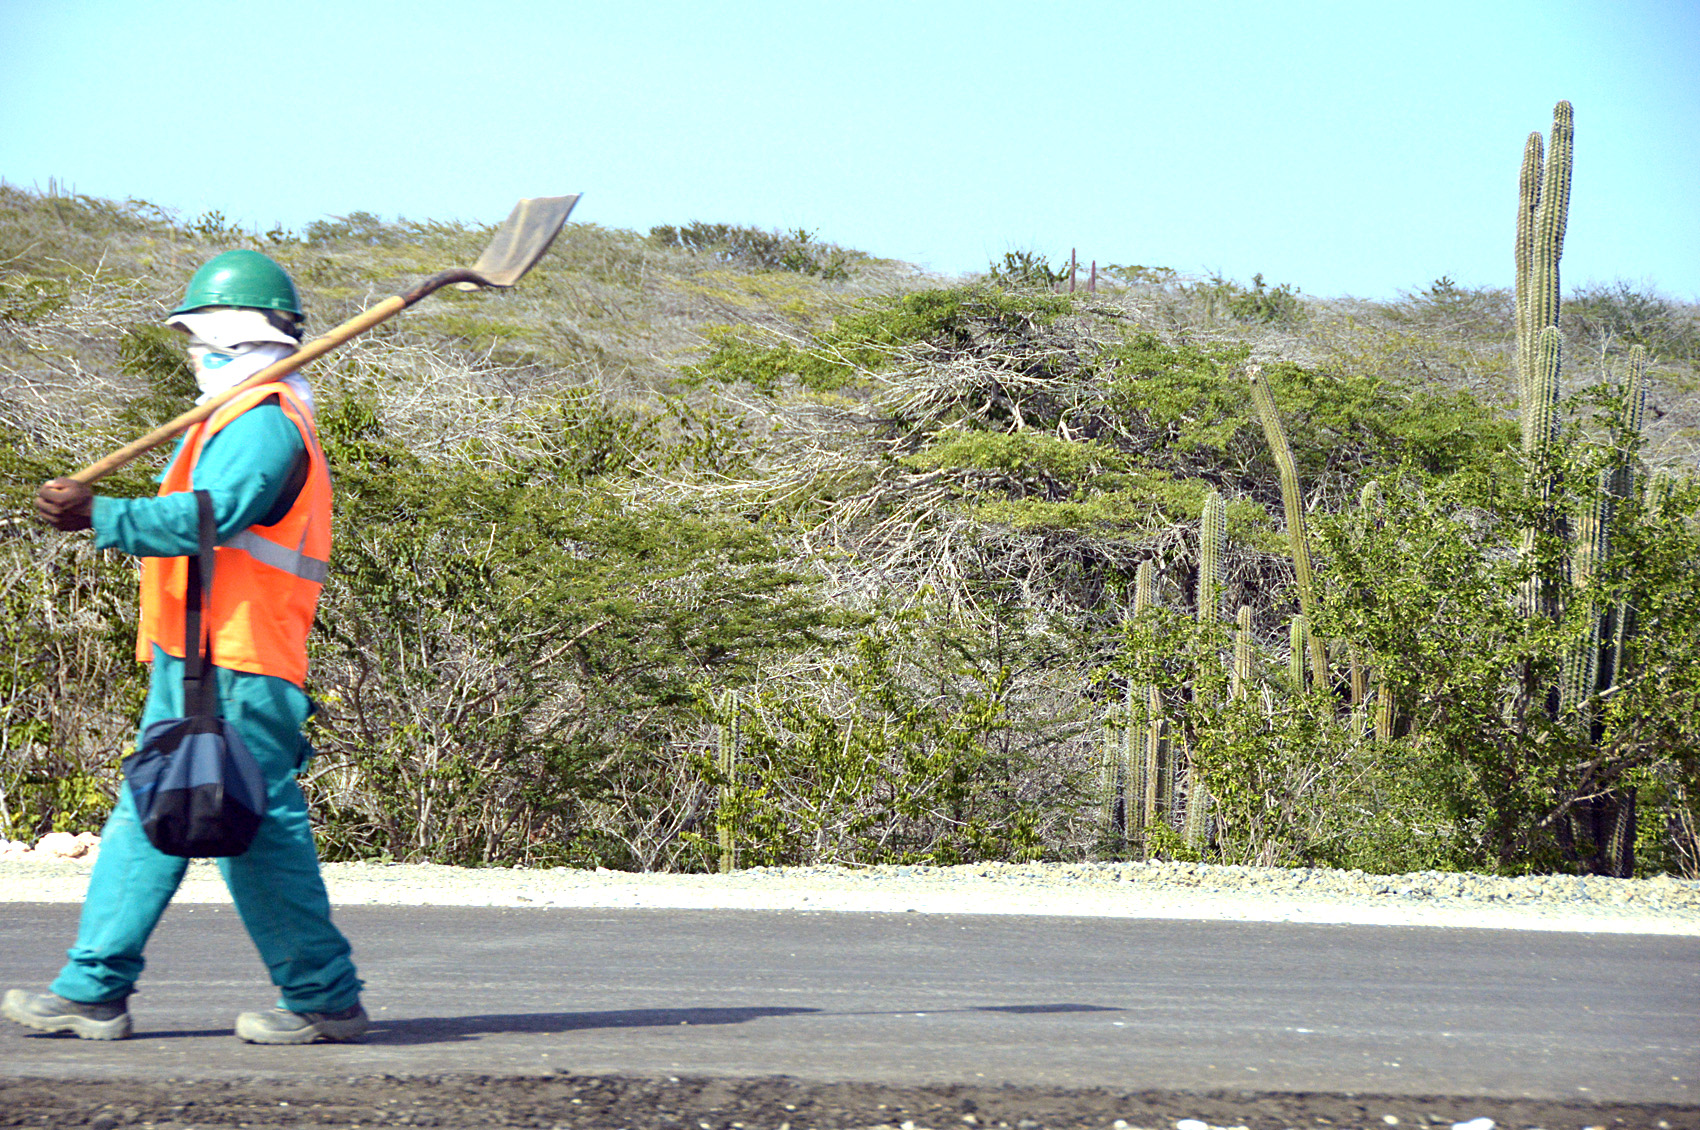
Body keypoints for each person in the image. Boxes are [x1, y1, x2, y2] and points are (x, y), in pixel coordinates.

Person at [3, 249, 366, 1044]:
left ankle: (324, 998)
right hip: (197, 660)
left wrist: (102, 518)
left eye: (202, 342)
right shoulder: (231, 419)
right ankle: (94, 987)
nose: (195, 356)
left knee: (255, 828)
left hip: (243, 664)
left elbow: (211, 518)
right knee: (153, 813)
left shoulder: (265, 425)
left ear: (234, 341)